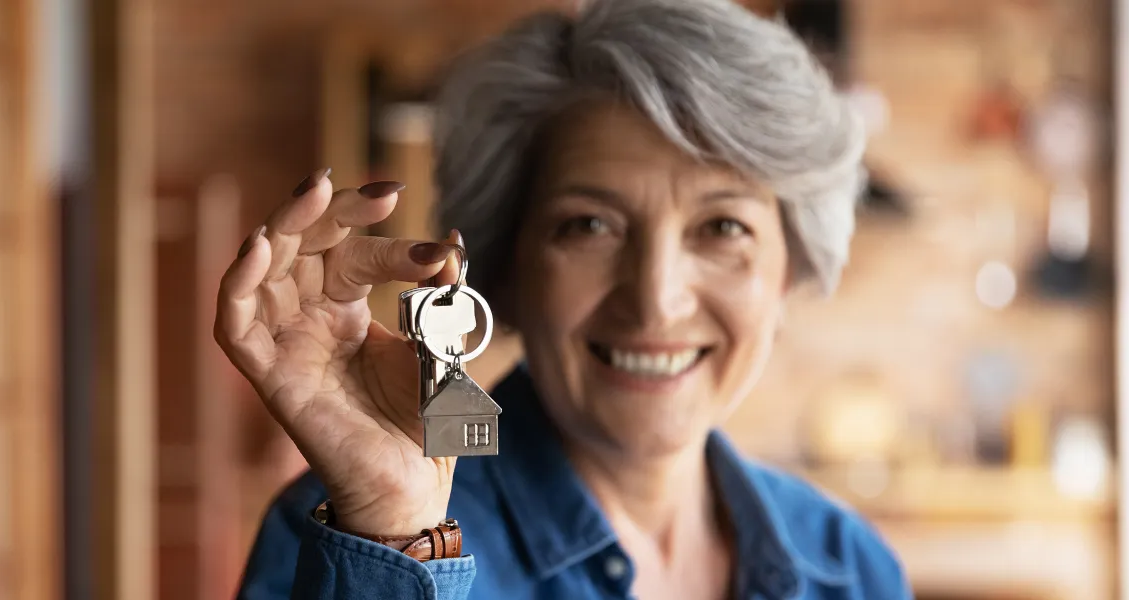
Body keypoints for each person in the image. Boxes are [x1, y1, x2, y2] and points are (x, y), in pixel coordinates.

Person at [220, 0, 911, 598]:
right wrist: (392, 536)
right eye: (590, 225)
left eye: (723, 227)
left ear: (788, 274)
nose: (656, 302)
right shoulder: (350, 534)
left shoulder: (850, 568)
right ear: (507, 269)